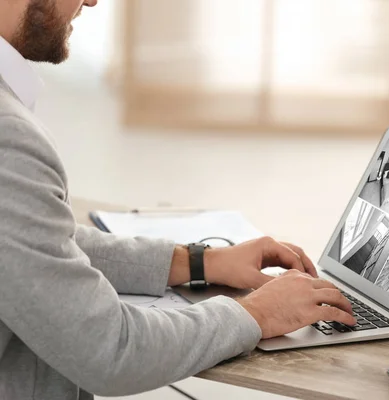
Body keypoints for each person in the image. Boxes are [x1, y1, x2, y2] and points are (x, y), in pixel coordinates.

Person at [0, 1, 356, 399]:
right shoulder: (9, 138)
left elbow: (37, 246)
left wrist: (199, 261)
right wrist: (258, 312)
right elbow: (109, 350)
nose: (92, 0)